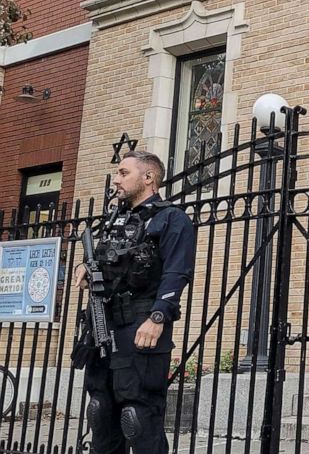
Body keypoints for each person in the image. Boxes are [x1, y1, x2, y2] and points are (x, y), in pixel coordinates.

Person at [73, 150, 195, 454]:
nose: (116, 180)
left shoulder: (171, 219)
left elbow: (177, 272)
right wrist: (85, 268)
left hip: (140, 324)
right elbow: (105, 264)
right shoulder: (117, 221)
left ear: (149, 177)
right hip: (103, 324)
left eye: (124, 173)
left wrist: (158, 317)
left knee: (137, 417)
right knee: (100, 411)